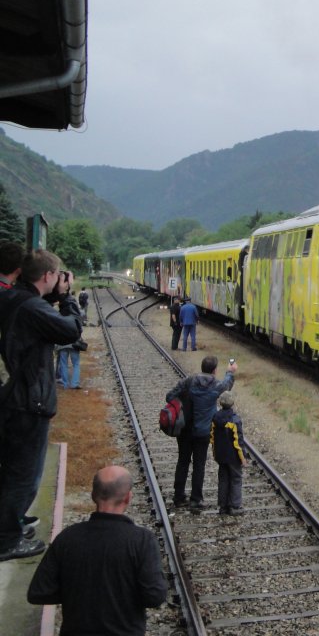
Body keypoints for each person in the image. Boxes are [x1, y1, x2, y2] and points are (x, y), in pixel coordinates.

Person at [0, 250, 82, 562]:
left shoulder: (13, 299)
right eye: (58, 275)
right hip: (28, 402)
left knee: (12, 472)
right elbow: (71, 330)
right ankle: (7, 540)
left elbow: (34, 317)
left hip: (13, 399)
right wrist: (69, 298)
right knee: (24, 475)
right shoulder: (31, 306)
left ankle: (10, 529)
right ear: (48, 276)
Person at [27, 465, 167, 633]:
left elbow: (38, 592)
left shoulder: (67, 538)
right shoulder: (142, 540)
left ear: (93, 495)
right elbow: (154, 597)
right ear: (128, 498)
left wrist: (78, 591)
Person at [166, 356, 237, 511]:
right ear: (214, 370)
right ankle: (196, 500)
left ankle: (178, 497)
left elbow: (170, 396)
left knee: (182, 462)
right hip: (203, 433)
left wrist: (183, 405)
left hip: (185, 430)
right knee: (199, 465)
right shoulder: (216, 386)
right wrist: (230, 372)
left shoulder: (189, 381)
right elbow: (227, 385)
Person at [212, 390, 246, 515]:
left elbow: (212, 437)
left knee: (223, 479)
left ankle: (223, 506)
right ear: (232, 403)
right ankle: (235, 506)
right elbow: (238, 441)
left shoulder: (215, 417)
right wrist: (242, 457)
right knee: (236, 478)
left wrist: (215, 454)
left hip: (221, 455)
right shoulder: (235, 420)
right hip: (233, 457)